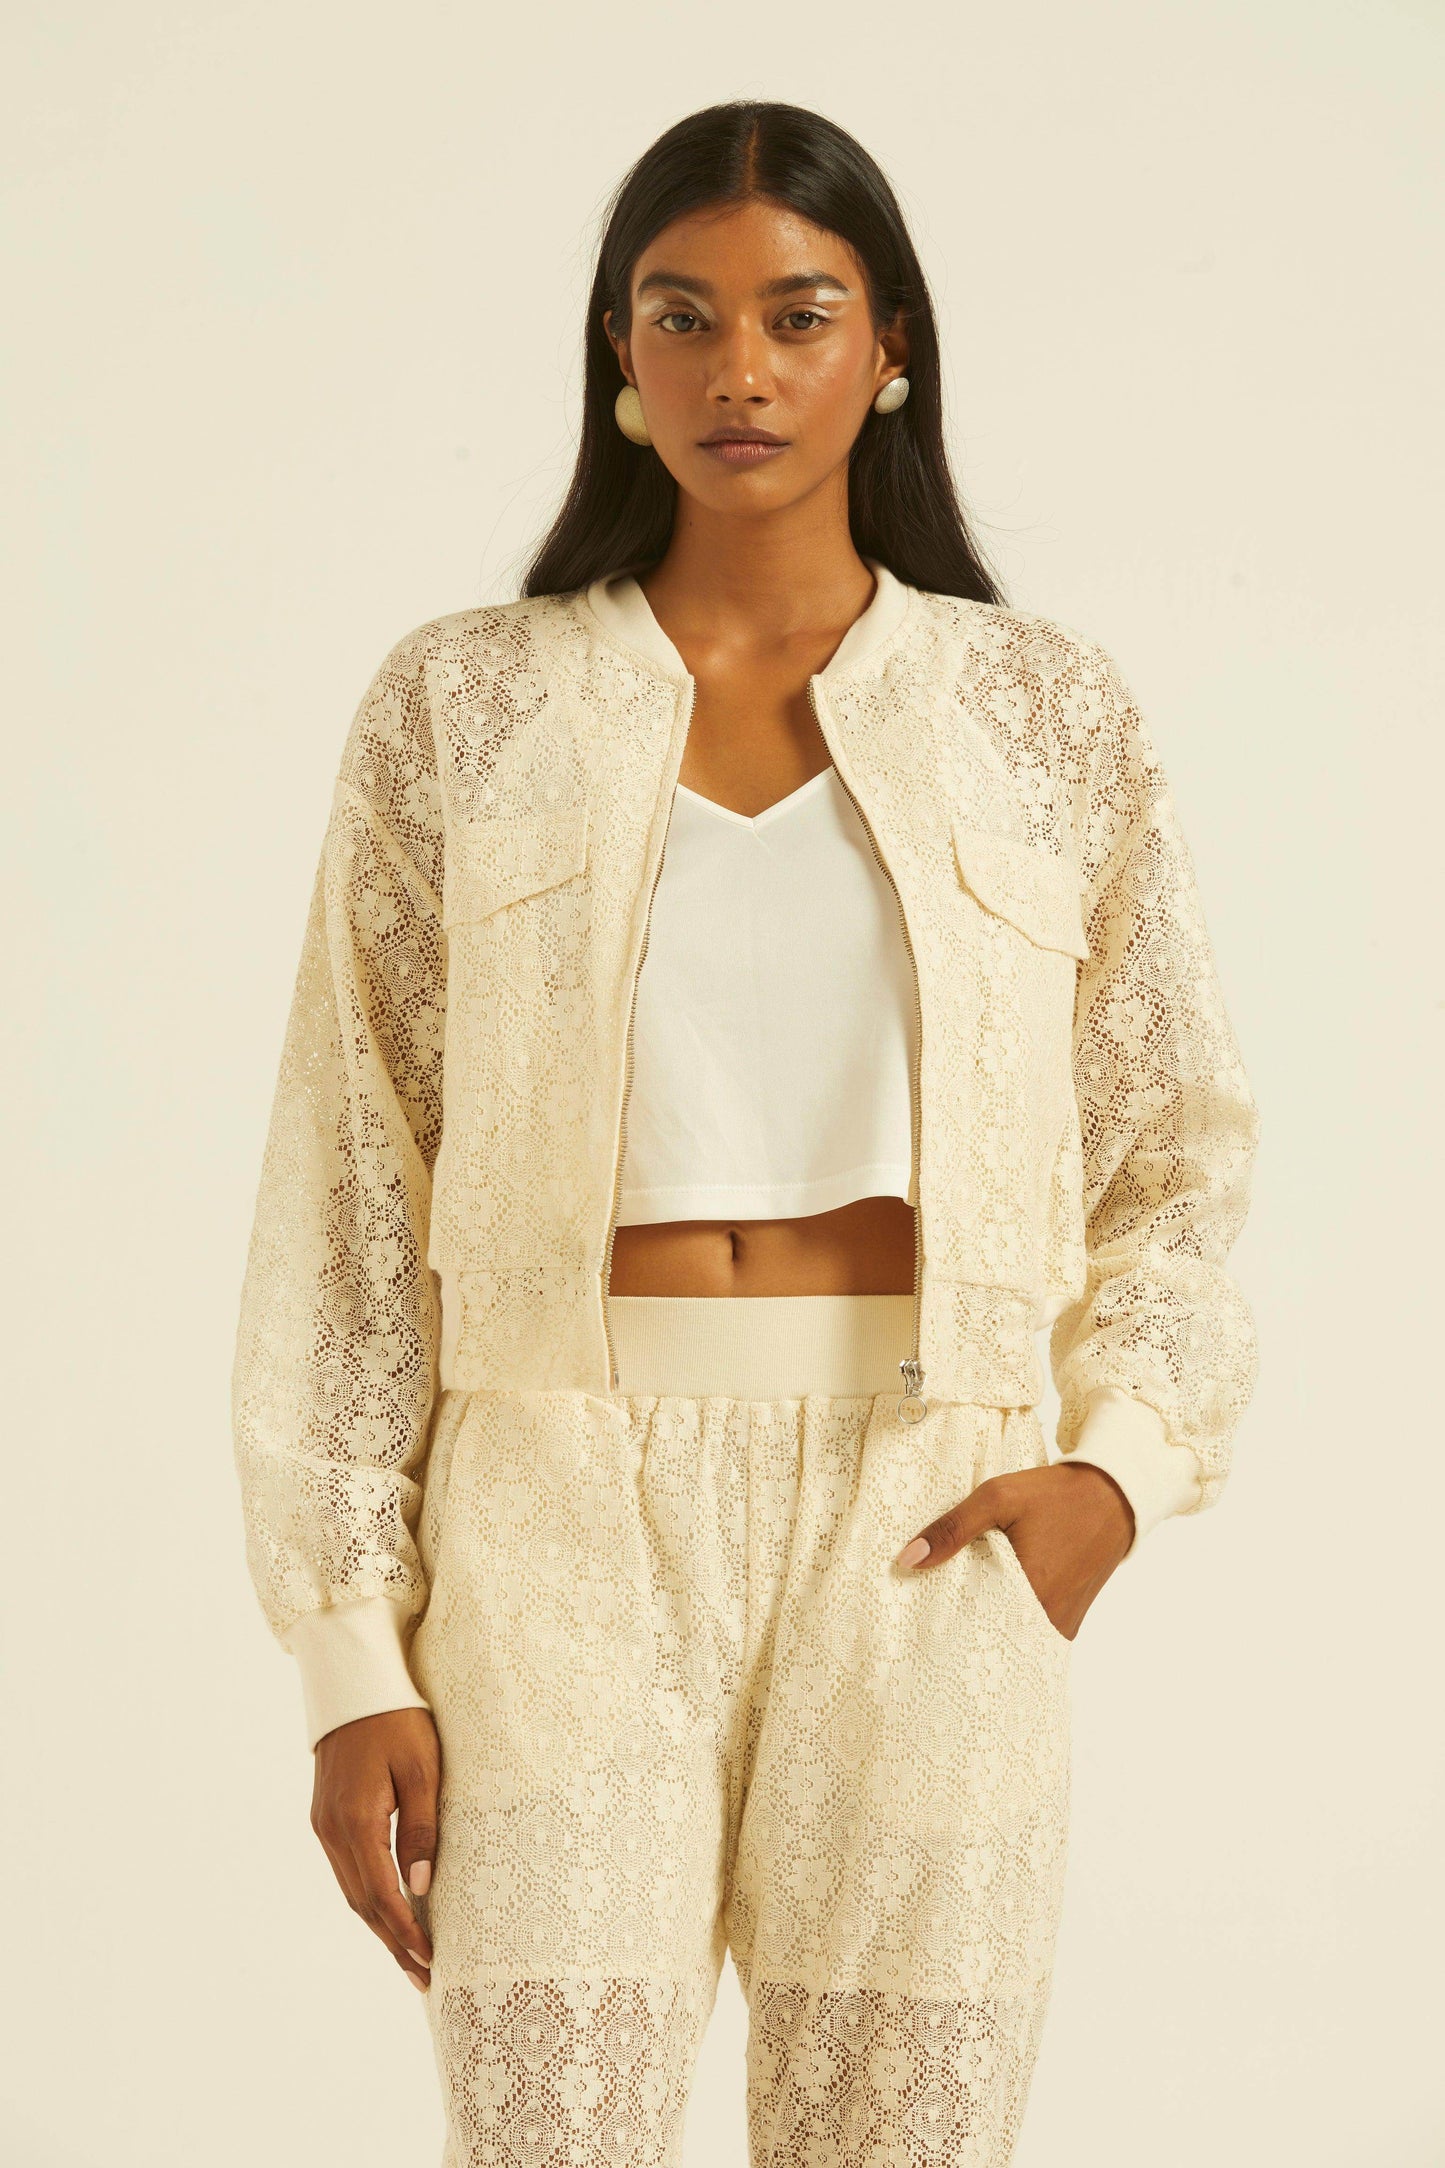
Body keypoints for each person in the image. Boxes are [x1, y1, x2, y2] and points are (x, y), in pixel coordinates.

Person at [232, 99, 1260, 2168]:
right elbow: (349, 1182)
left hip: (931, 1511)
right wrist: (351, 1652)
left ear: (891, 350)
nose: (740, 369)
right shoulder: (466, 706)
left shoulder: (1041, 714)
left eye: (799, 315)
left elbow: (1174, 1153)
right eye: (680, 316)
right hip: (550, 1518)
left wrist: (1113, 1478)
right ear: (620, 358)